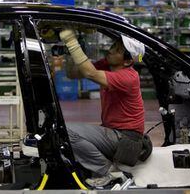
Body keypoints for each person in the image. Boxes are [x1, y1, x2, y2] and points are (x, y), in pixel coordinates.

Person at [59, 29, 152, 188]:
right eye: (113, 45)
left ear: (128, 61)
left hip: (126, 141)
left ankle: (109, 172)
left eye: (117, 50)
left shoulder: (128, 77)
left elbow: (89, 72)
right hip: (115, 134)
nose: (110, 50)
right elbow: (73, 73)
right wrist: (70, 52)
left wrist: (70, 40)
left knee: (66, 132)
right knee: (61, 132)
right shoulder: (109, 65)